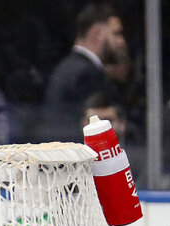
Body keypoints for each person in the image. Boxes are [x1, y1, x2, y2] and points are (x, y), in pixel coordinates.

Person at [41, 3, 126, 143]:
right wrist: (115, 113)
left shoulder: (69, 67)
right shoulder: (86, 73)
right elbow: (91, 124)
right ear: (96, 33)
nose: (121, 42)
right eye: (116, 34)